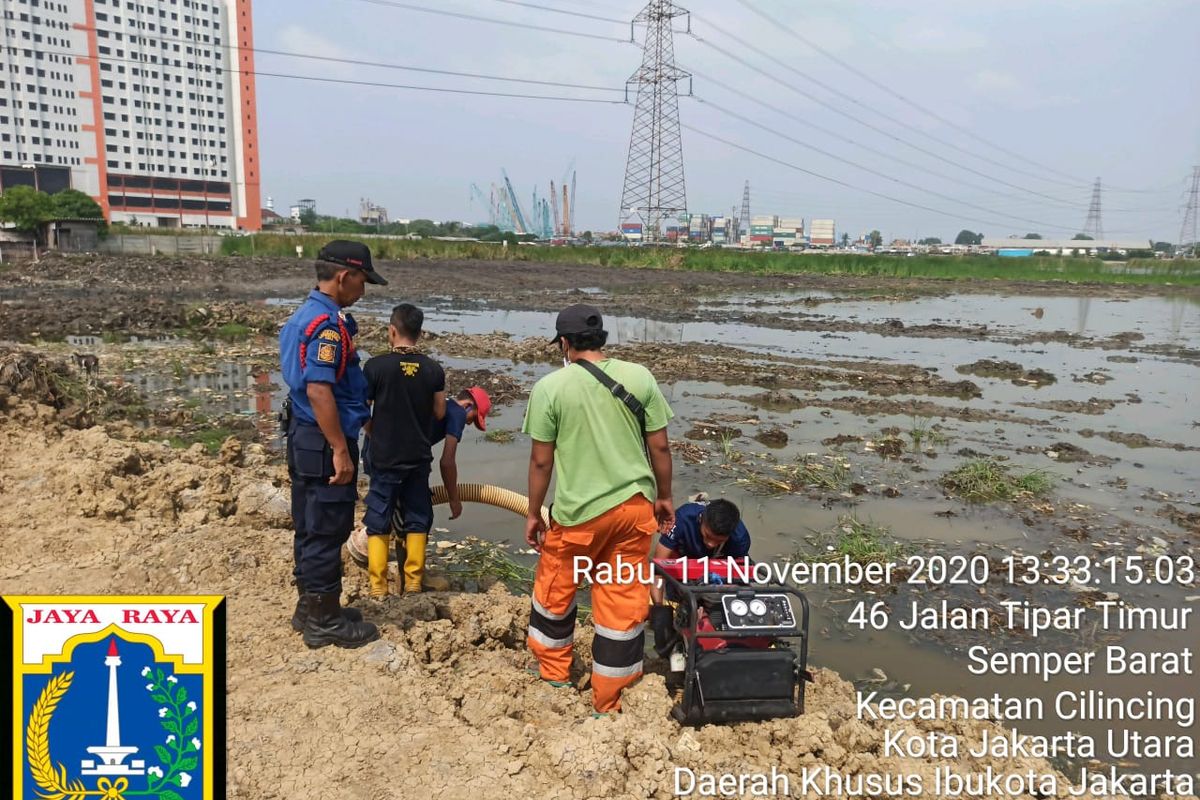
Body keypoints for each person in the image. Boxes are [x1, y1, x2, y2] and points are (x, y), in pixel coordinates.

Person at [522, 303, 675, 715]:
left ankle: (554, 673)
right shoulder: (639, 377)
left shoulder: (551, 388)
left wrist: (534, 512)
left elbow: (541, 461)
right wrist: (665, 496)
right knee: (621, 602)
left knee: (556, 588)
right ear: (601, 338)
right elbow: (659, 446)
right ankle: (610, 699)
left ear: (565, 344)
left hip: (579, 516)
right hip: (634, 511)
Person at [280, 240, 385, 649]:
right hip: (323, 440)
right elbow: (320, 389)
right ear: (345, 276)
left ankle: (311, 607)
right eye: (363, 280)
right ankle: (324, 621)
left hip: (304, 437)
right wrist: (341, 449)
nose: (364, 289)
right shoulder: (326, 326)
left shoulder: (304, 317)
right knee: (326, 528)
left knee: (308, 526)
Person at [361, 303, 446, 598]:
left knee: (378, 516)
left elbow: (361, 409)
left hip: (384, 456)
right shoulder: (434, 369)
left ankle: (378, 587)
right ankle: (412, 583)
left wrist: (374, 431)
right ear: (420, 333)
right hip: (418, 456)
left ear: (392, 331)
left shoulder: (374, 367)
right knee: (417, 516)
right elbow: (439, 412)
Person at [649, 497, 752, 652]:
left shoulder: (740, 538)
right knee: (675, 595)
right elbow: (658, 568)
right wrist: (658, 607)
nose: (710, 543)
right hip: (684, 557)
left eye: (718, 540)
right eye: (707, 536)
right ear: (701, 520)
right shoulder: (681, 520)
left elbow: (738, 575)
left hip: (718, 563)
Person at [434, 386, 493, 522]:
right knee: (418, 520)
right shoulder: (458, 413)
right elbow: (446, 462)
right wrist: (454, 500)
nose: (468, 423)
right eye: (472, 418)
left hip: (385, 452)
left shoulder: (445, 404)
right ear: (468, 405)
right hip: (402, 460)